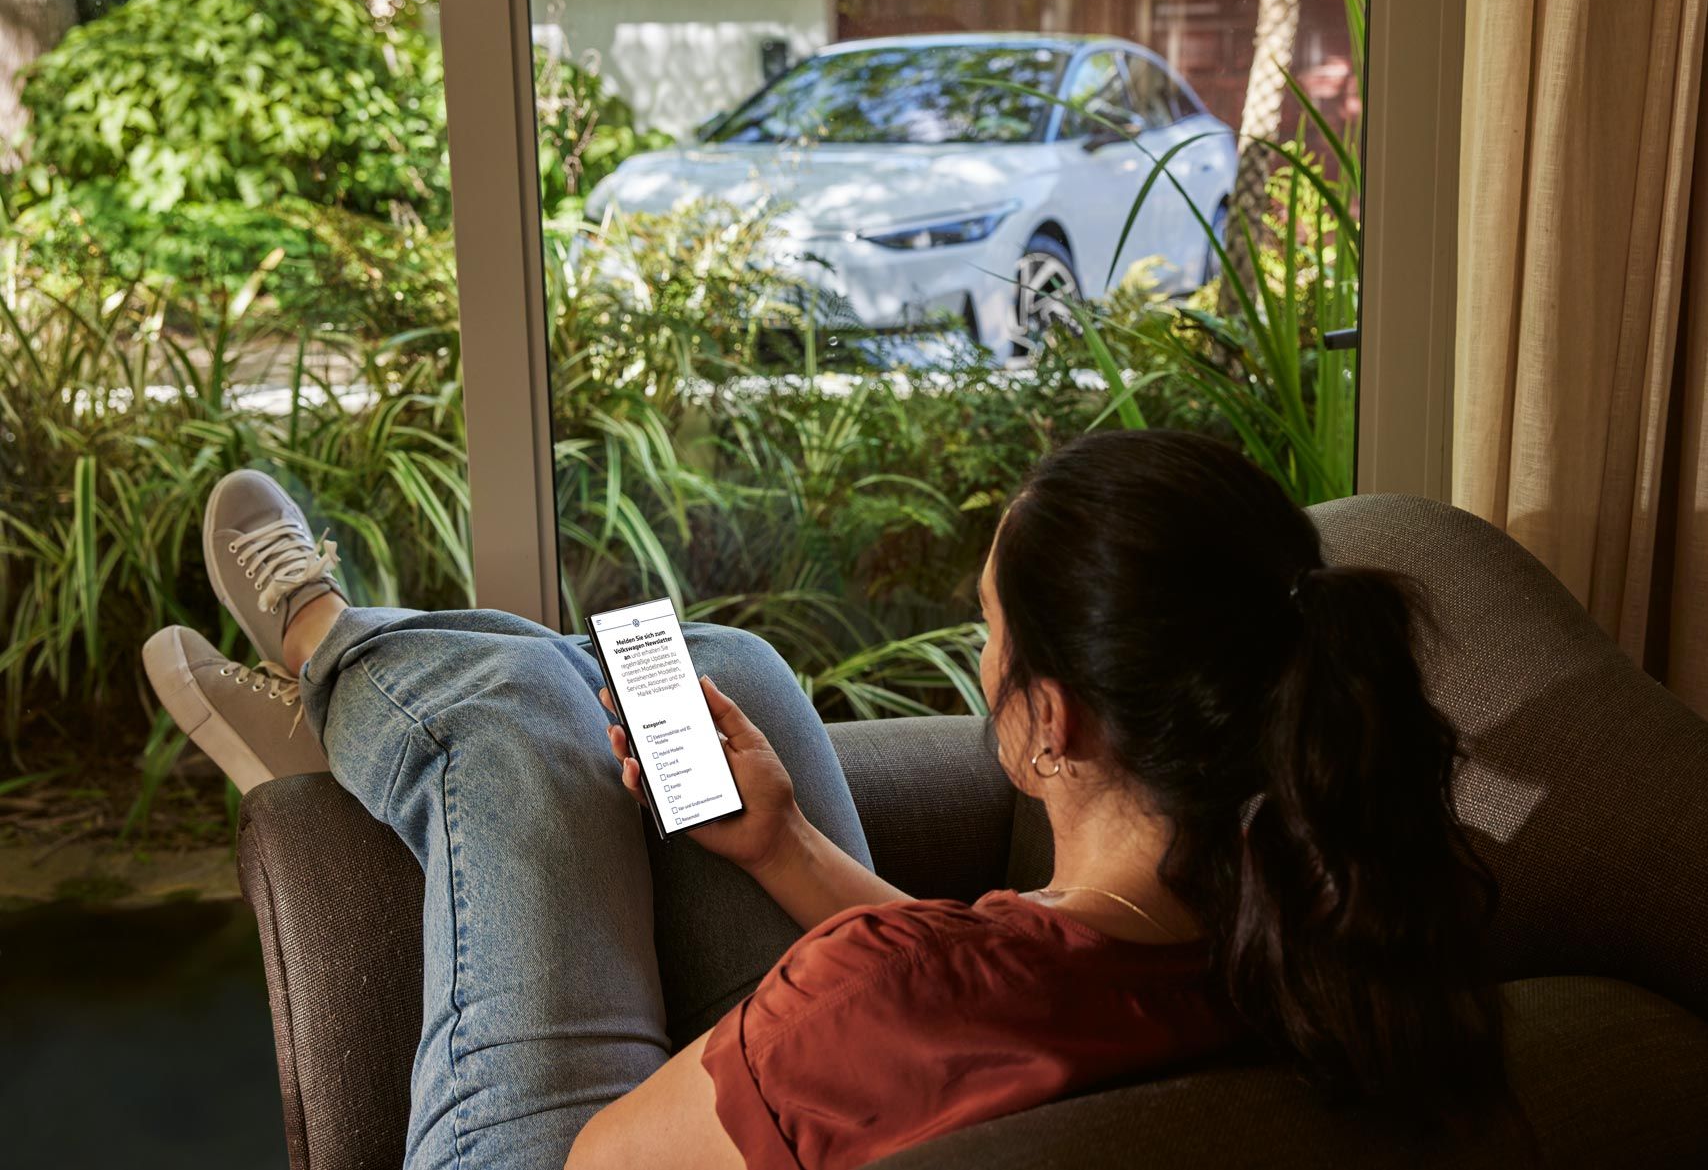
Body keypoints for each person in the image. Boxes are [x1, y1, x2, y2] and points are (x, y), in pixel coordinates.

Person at [142, 430, 1508, 1170]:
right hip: (833, 1081)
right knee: (718, 666)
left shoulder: (870, 990)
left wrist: (734, 1031)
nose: (980, 663)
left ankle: (325, 638)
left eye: (986, 633)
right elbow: (1006, 1010)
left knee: (507, 726)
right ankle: (379, 686)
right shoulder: (1326, 934)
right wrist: (785, 844)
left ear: (1056, 721)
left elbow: (611, 1157)